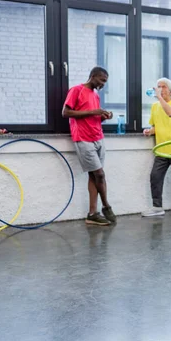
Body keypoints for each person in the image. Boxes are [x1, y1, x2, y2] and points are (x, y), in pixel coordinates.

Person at [63, 66, 117, 226]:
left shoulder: (95, 95)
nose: (103, 84)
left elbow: (94, 116)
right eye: (102, 80)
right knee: (100, 175)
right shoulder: (76, 90)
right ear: (93, 76)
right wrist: (93, 112)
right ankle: (107, 206)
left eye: (105, 82)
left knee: (94, 176)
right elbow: (66, 113)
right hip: (83, 139)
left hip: (98, 138)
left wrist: (103, 116)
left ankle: (93, 213)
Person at [142, 78, 171, 218]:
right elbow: (156, 126)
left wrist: (159, 98)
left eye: (163, 87)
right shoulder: (155, 107)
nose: (160, 89)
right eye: (158, 86)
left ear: (170, 91)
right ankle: (157, 207)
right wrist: (149, 131)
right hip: (161, 149)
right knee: (155, 177)